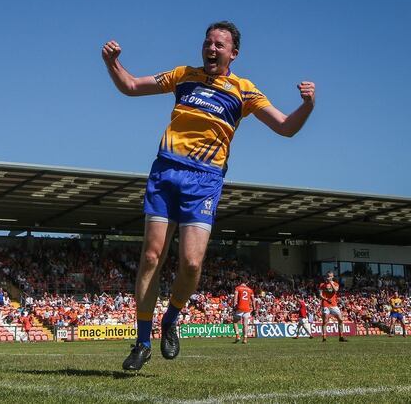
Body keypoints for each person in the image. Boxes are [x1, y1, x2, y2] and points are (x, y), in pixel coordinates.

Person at [102, 21, 316, 370]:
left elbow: (285, 127)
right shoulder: (183, 76)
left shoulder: (244, 90)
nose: (211, 48)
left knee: (191, 263)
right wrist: (112, 63)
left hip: (204, 180)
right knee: (152, 256)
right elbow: (130, 85)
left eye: (219, 44)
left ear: (234, 53)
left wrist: (306, 106)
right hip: (166, 172)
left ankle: (170, 319)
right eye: (208, 43)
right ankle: (141, 342)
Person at [318, 271, 347, 342]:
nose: (329, 277)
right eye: (328, 276)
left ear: (332, 277)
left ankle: (341, 337)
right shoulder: (322, 284)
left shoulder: (335, 283)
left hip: (334, 304)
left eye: (330, 276)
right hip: (325, 304)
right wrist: (326, 299)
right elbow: (320, 295)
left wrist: (331, 282)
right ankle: (324, 338)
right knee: (325, 321)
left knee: (340, 319)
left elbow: (336, 290)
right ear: (326, 276)